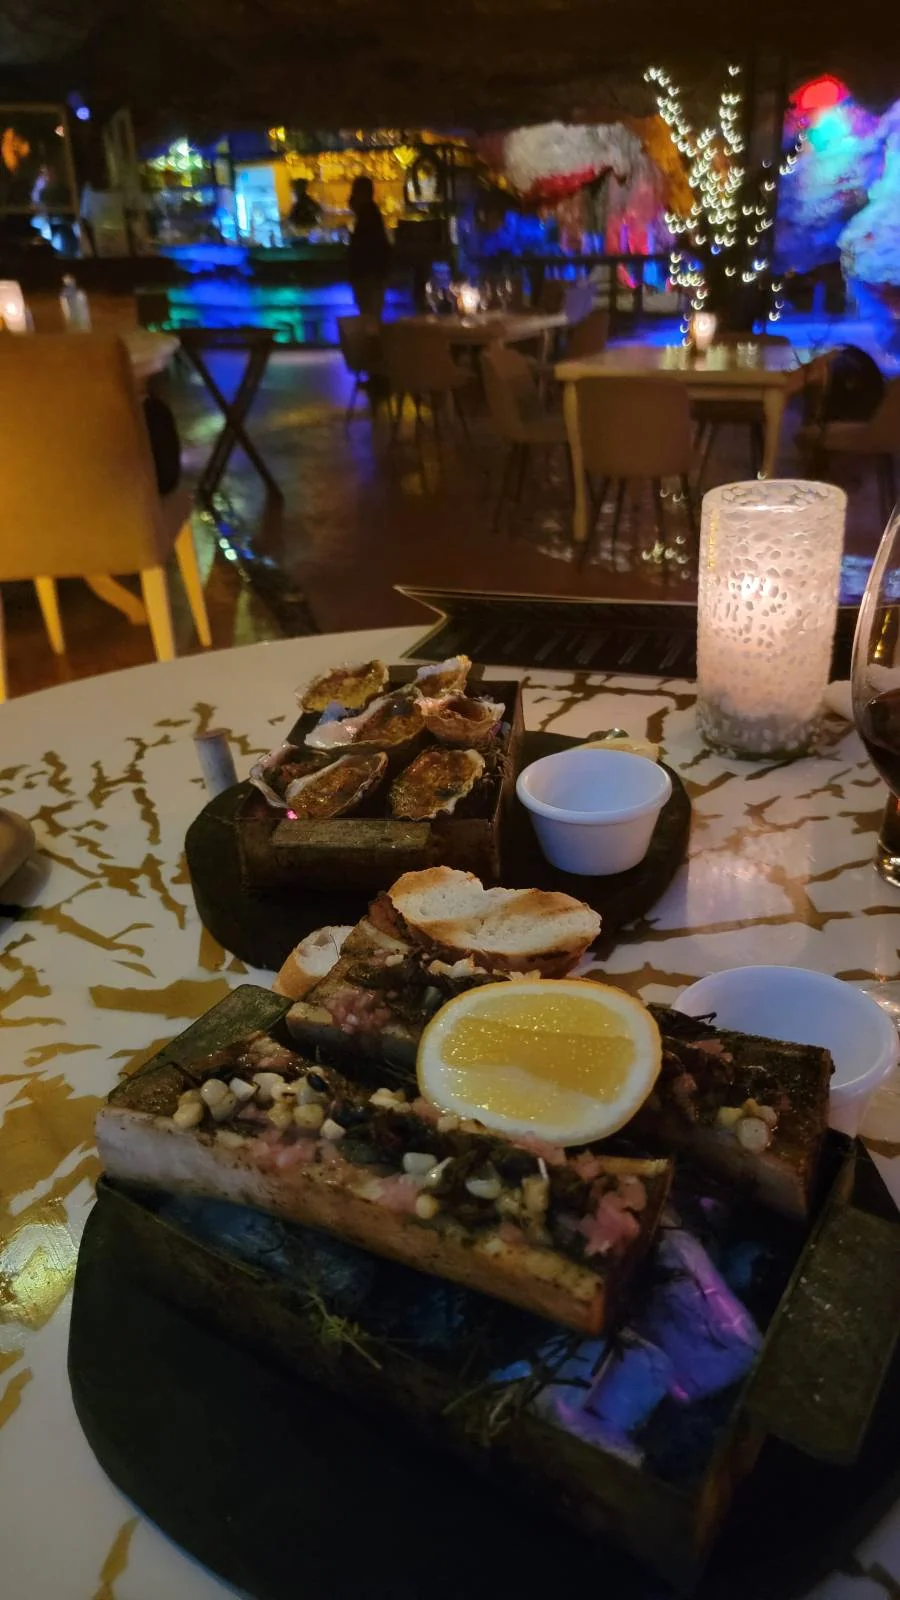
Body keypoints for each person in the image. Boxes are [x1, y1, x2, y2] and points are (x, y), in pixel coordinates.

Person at [347, 175, 391, 319]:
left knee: (368, 314)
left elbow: (363, 246)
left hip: (368, 274)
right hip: (374, 273)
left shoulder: (366, 214)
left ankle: (371, 333)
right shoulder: (371, 212)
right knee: (372, 315)